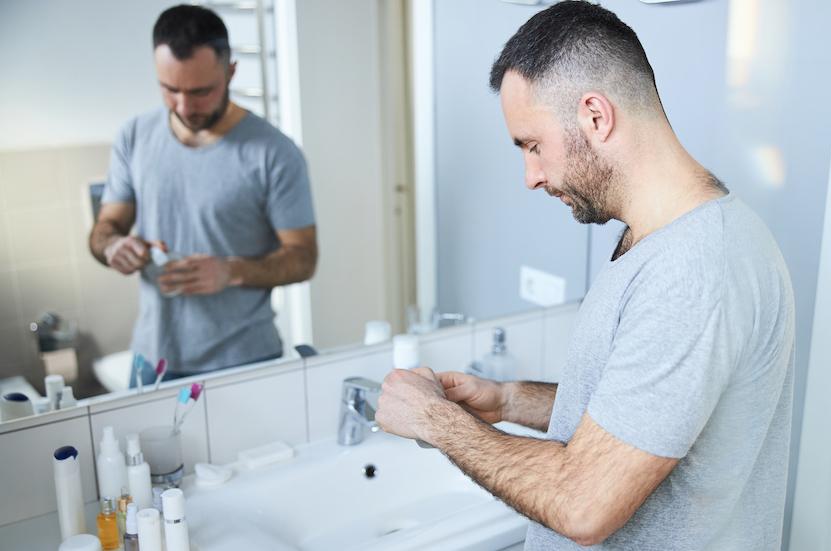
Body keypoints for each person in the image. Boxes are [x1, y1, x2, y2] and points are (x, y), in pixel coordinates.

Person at [375, 2, 795, 549]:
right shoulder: (661, 240)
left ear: (596, 116)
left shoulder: (695, 269)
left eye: (532, 145)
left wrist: (435, 420)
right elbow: (646, 416)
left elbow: (584, 505)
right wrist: (507, 400)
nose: (531, 176)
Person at [88, 5, 317, 382]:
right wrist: (112, 245)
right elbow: (106, 226)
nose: (183, 106)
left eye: (200, 91)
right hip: (152, 360)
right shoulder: (133, 136)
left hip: (247, 360)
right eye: (170, 89)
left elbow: (303, 258)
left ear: (230, 72)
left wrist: (232, 271)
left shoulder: (274, 152)